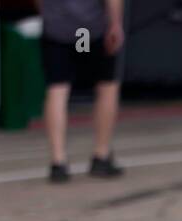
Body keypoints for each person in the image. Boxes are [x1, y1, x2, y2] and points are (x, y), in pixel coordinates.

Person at [39, 0, 125, 183]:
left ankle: (58, 161)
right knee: (106, 86)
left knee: (57, 89)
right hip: (88, 30)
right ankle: (101, 155)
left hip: (57, 30)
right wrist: (115, 23)